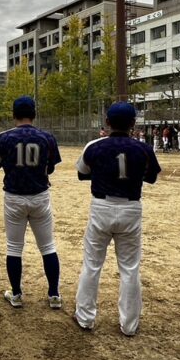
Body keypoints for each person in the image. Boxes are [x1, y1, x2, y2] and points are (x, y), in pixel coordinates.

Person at [73, 102, 160, 333]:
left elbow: (82, 173)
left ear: (107, 123)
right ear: (133, 123)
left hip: (102, 205)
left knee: (92, 265)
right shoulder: (143, 148)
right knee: (130, 268)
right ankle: (129, 325)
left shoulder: (95, 145)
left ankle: (85, 318)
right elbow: (152, 178)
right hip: (131, 207)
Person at [0, 96, 63, 310]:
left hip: (14, 197)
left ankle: (17, 294)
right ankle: (54, 295)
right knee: (48, 246)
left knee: (14, 247)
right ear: (34, 114)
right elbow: (51, 168)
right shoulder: (46, 137)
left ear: (14, 115)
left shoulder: (4, 137)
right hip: (40, 196)